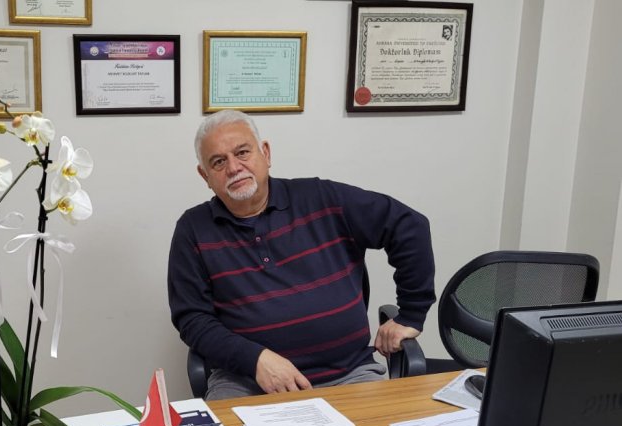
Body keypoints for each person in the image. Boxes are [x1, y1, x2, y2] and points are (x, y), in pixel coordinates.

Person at [168, 110, 435, 400]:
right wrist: (255, 359)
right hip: (246, 382)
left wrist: (411, 314)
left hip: (348, 375)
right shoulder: (193, 229)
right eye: (218, 162)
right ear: (205, 175)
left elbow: (408, 226)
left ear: (265, 153)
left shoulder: (323, 198)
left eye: (242, 152)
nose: (234, 168)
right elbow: (193, 319)